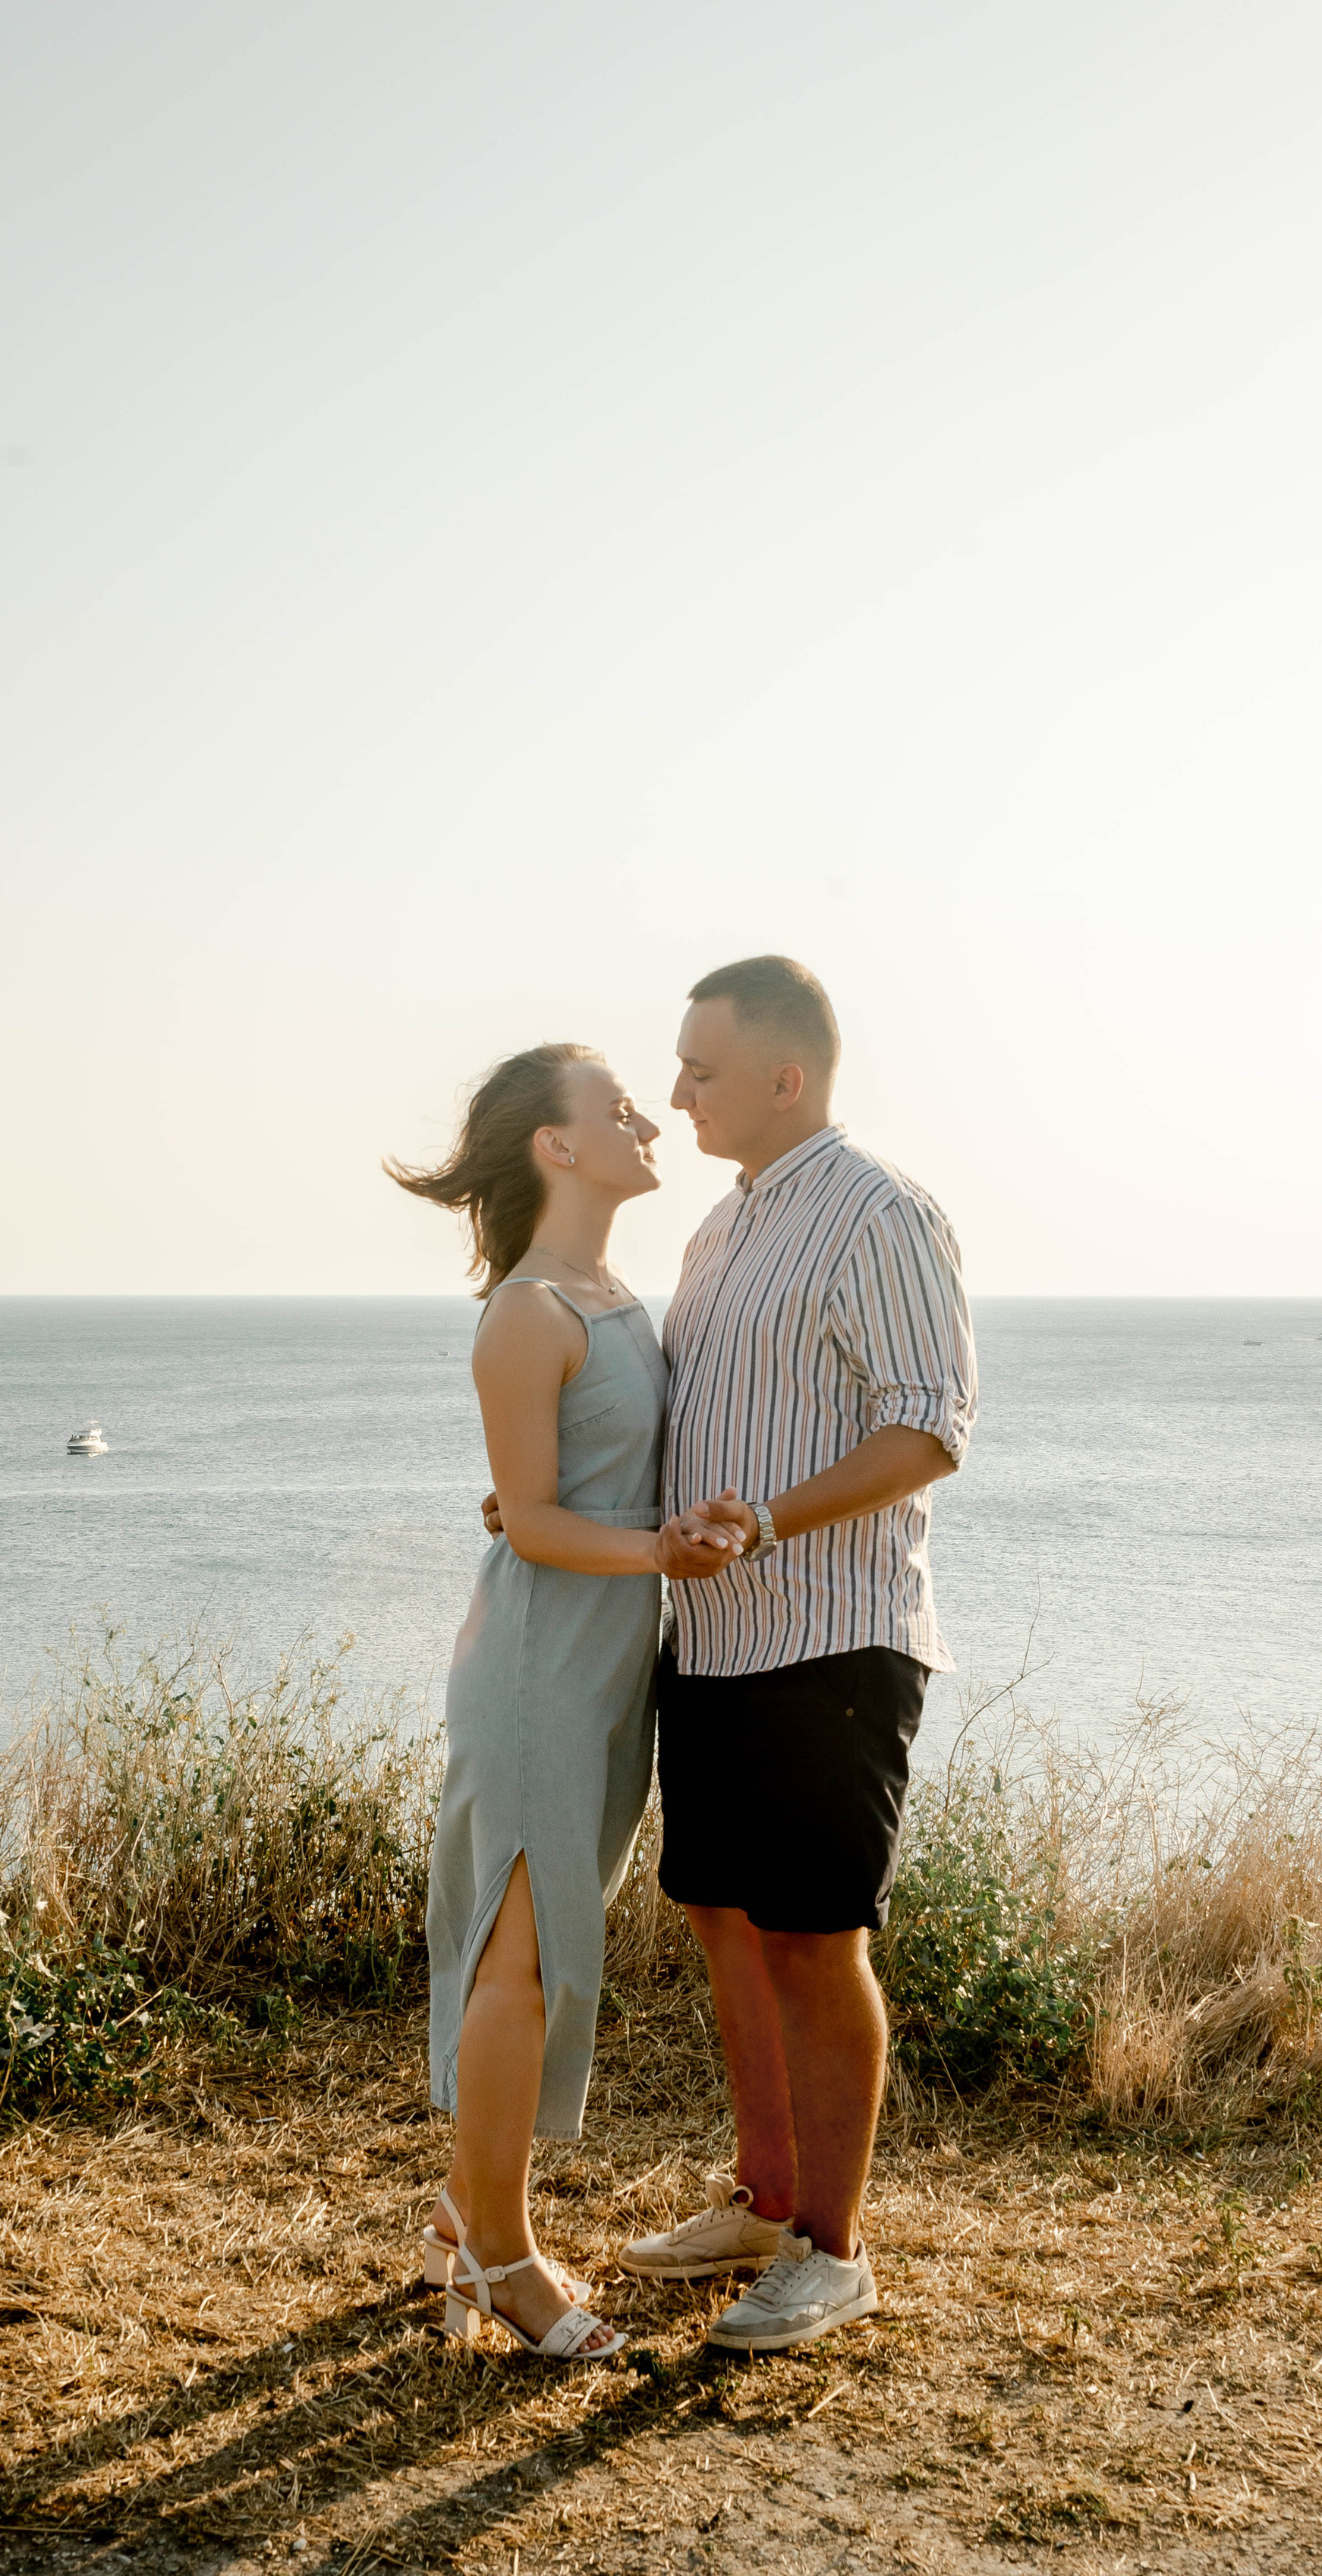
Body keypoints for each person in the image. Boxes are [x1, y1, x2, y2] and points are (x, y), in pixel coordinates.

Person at [614, 956, 977, 2350]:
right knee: (723, 1919)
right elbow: (693, 1425)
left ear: (788, 1076)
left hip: (833, 1638)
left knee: (818, 1944)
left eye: (701, 1068)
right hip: (709, 1640)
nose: (677, 1090)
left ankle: (834, 2252)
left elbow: (929, 1427)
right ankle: (763, 2204)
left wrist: (767, 1518)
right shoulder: (718, 1230)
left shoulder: (884, 1212)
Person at [387, 1043, 742, 2364]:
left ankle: (460, 2218)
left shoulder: (612, 1298)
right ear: (556, 1145)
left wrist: (639, 1533)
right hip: (541, 1664)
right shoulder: (530, 1311)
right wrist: (657, 1548)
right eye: (616, 1107)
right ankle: (501, 2255)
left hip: (601, 1667)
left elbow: (558, 1490)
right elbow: (534, 1523)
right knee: (519, 1961)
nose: (646, 1118)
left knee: (537, 1953)